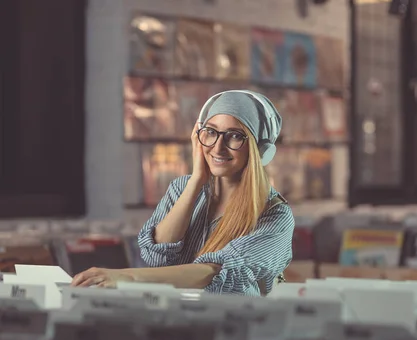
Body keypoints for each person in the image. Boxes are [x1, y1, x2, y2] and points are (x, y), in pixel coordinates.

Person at [71, 90, 295, 296]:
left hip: (232, 329)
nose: (218, 147)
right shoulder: (182, 188)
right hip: (176, 321)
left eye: (235, 136)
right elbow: (157, 256)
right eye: (211, 132)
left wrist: (126, 276)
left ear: (261, 150)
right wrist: (197, 180)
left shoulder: (275, 214)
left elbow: (217, 271)